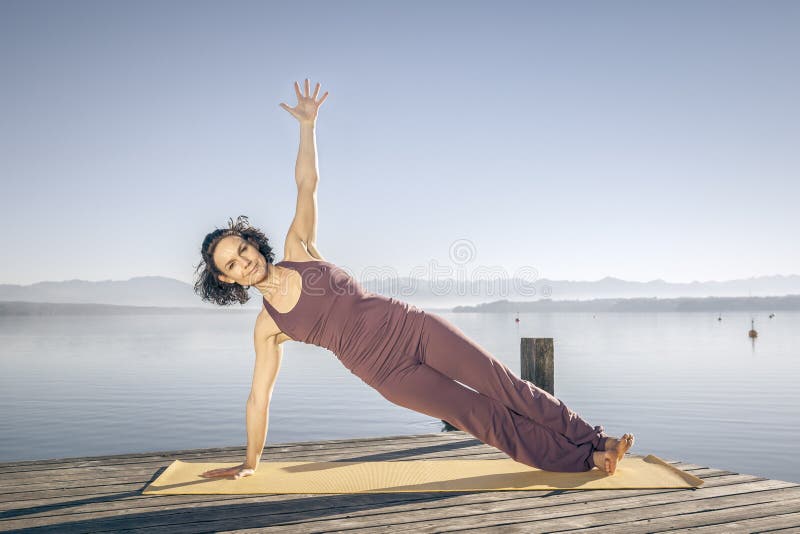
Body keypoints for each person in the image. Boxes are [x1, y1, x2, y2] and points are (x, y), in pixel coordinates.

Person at [194, 79, 634, 481]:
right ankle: (587, 459)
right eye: (231, 265)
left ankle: (596, 438)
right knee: (481, 417)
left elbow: (306, 183)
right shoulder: (269, 327)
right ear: (228, 281)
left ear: (253, 244)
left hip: (414, 327)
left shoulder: (298, 248)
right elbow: (259, 398)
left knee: (504, 385)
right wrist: (250, 463)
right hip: (388, 373)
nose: (244, 262)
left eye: (243, 250)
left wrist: (307, 126)